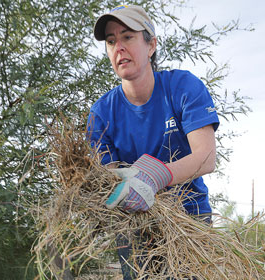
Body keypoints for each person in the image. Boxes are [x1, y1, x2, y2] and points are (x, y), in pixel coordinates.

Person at [87, 4, 219, 279]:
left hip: (188, 221)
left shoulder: (183, 88)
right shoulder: (101, 113)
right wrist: (115, 185)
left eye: (127, 37)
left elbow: (206, 157)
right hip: (134, 227)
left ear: (151, 45)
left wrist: (156, 176)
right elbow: (107, 180)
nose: (118, 47)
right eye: (111, 41)